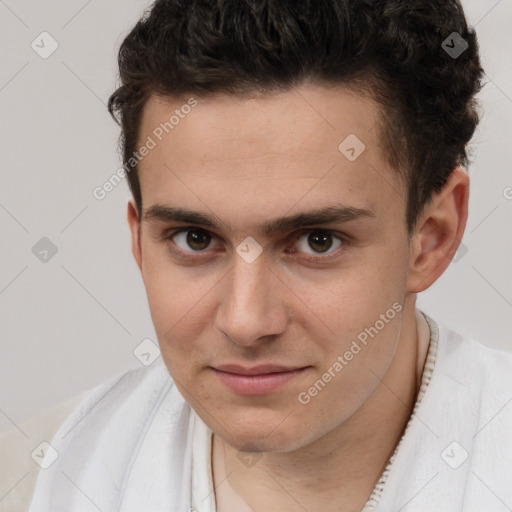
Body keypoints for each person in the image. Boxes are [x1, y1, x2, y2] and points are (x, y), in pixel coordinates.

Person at [2, 0, 511, 511]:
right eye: (194, 239)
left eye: (317, 241)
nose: (245, 323)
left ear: (432, 237)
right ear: (139, 241)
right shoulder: (36, 481)